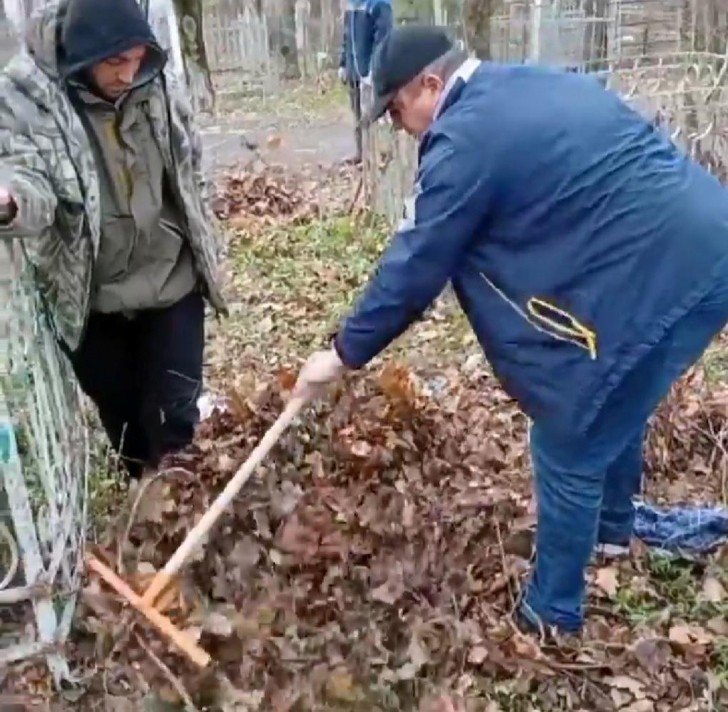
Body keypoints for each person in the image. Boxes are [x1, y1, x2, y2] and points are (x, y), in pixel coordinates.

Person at [293, 25, 728, 635]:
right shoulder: (526, 82)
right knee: (612, 386)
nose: (398, 126)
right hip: (703, 246)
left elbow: (417, 263)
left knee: (570, 436)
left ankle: (551, 614)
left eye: (396, 110)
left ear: (432, 83)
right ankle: (610, 530)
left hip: (669, 270)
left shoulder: (466, 139)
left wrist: (341, 354)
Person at [0, 0, 226, 478]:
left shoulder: (155, 80)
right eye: (114, 63)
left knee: (175, 420)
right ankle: (144, 509)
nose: (129, 73)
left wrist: (204, 224)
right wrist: (11, 202)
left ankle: (178, 515)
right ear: (83, 58)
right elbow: (28, 179)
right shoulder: (25, 98)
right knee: (127, 428)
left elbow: (187, 158)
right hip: (91, 294)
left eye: (137, 58)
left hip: (169, 276)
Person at [338, 0, 393, 164]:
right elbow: (347, 37)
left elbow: (383, 39)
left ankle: (381, 153)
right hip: (354, 71)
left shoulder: (379, 5)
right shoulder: (352, 6)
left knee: (375, 115)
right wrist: (343, 63)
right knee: (357, 114)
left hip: (371, 73)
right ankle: (361, 153)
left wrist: (374, 69)